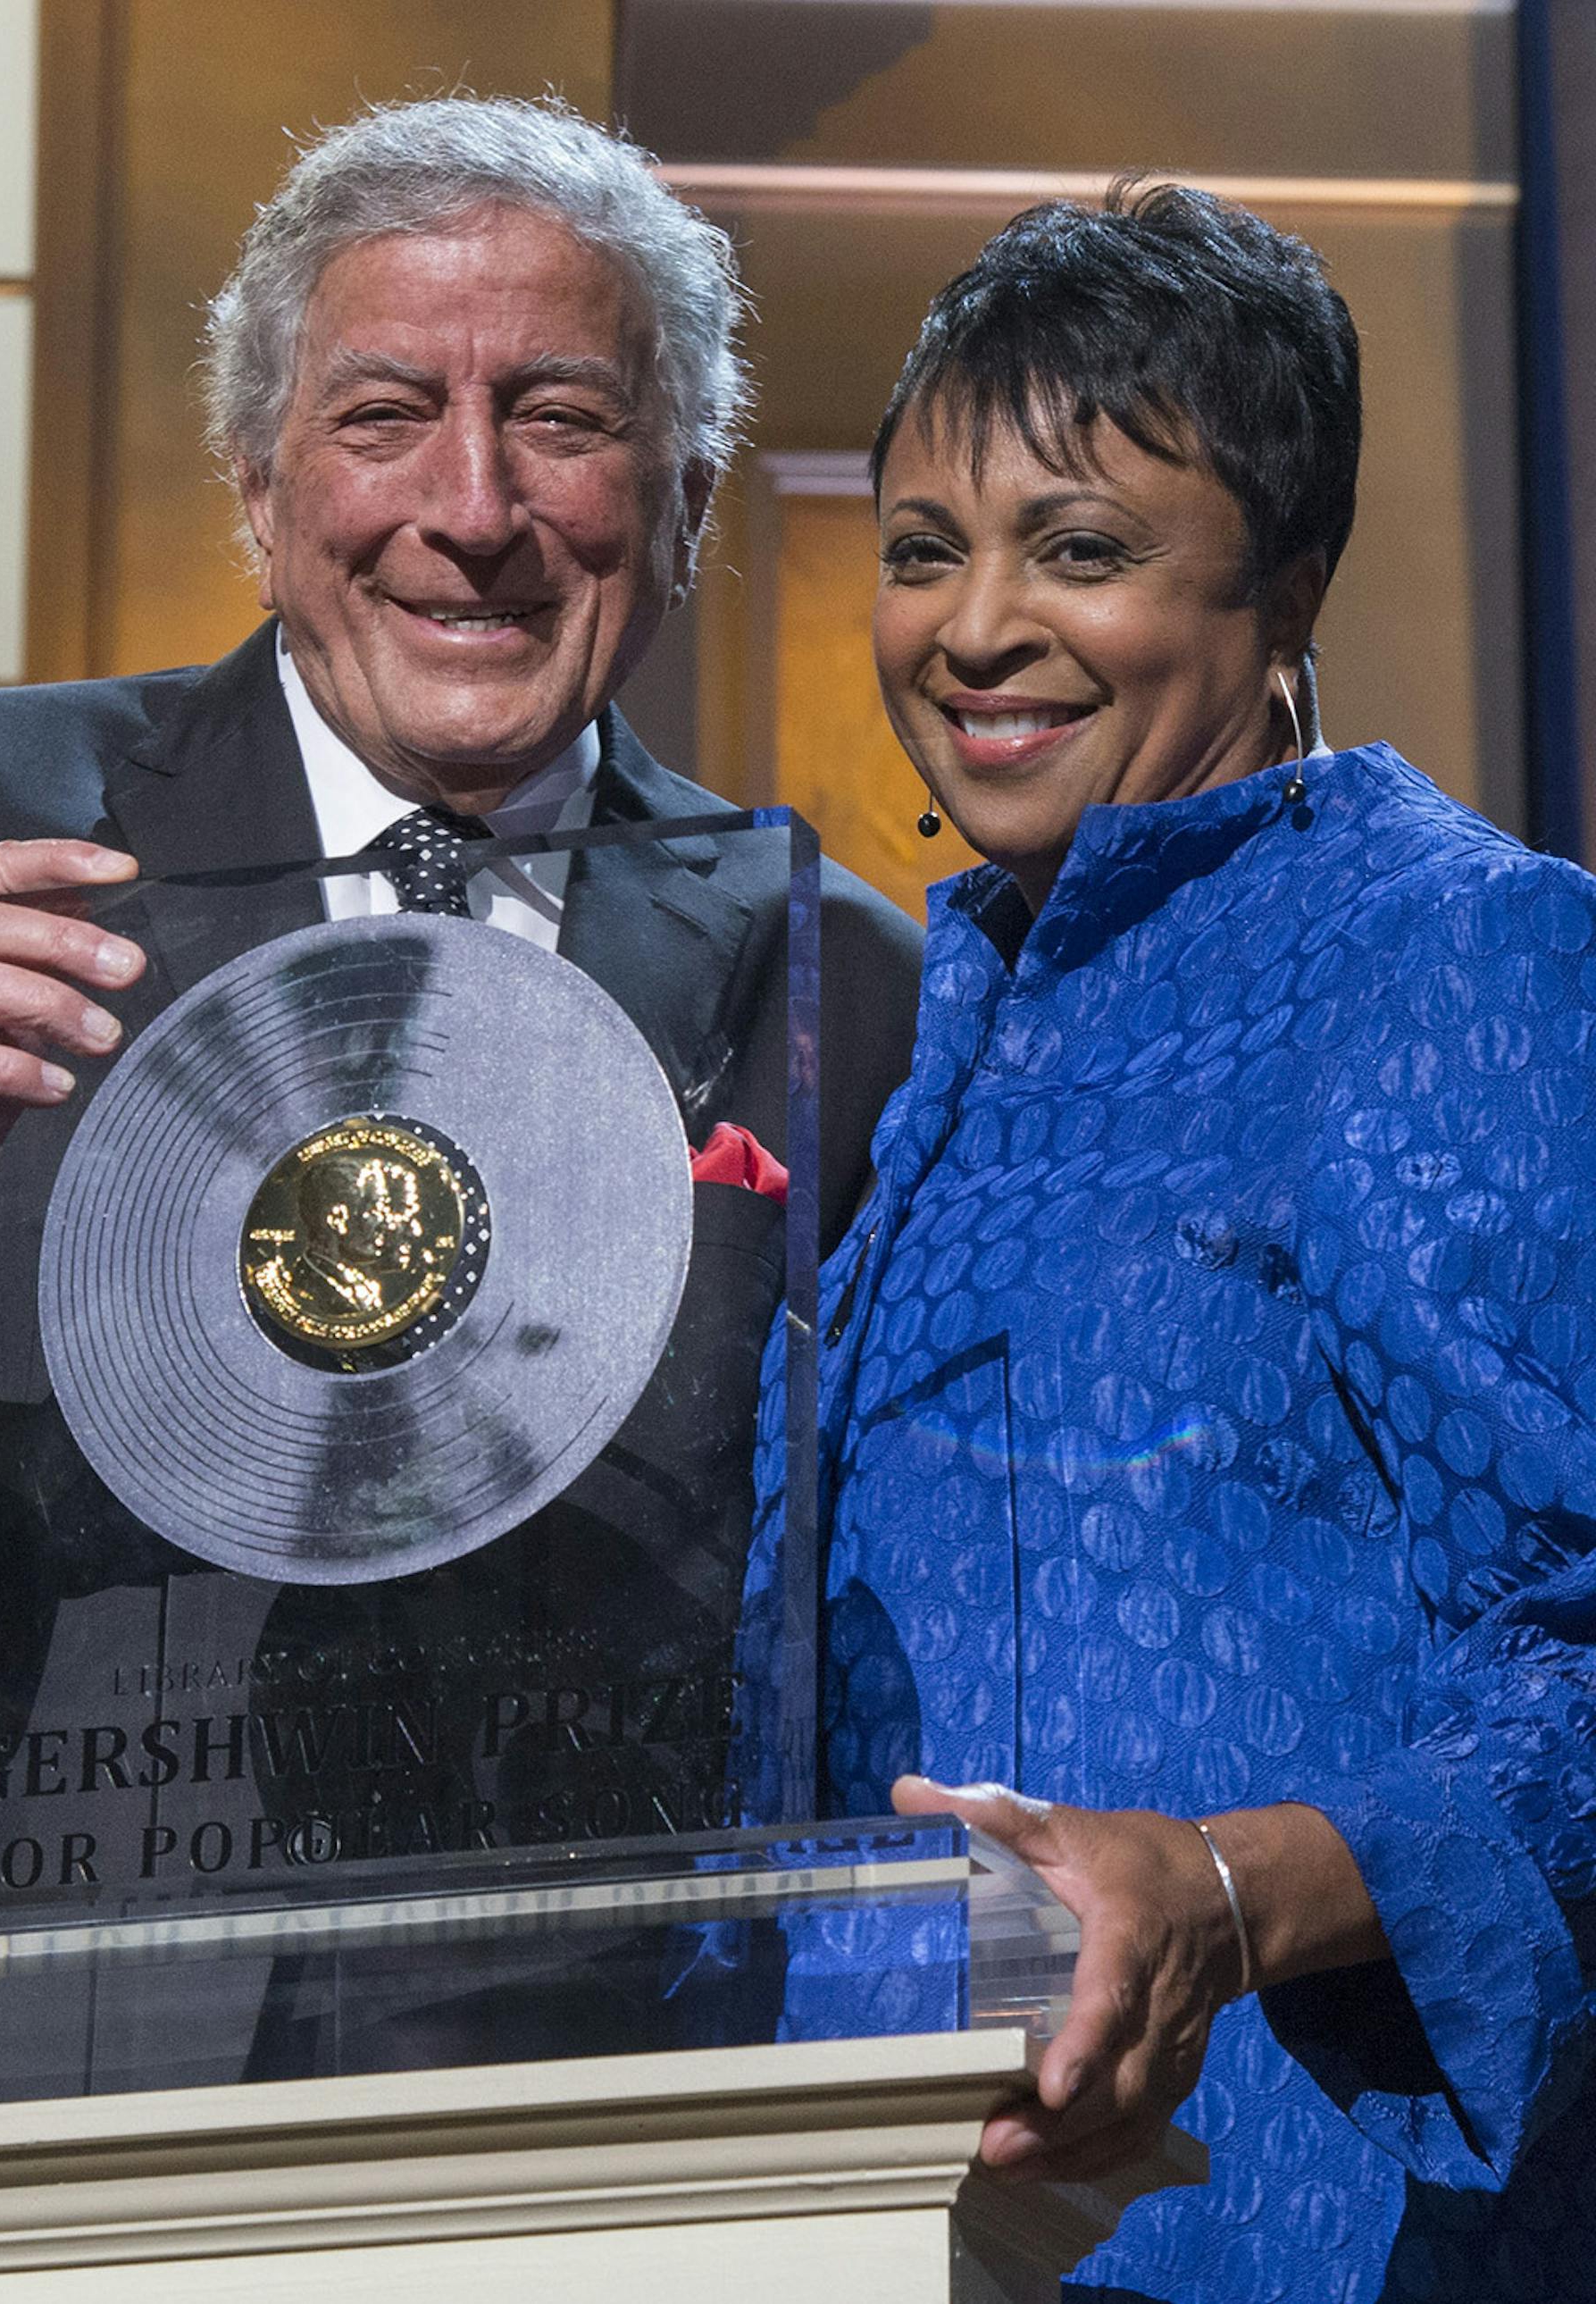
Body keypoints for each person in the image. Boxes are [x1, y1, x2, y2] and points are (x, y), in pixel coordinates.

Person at [0, 96, 922, 1911]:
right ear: (259, 488)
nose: (473, 509)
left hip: (599, 2069)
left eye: (560, 419)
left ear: (687, 501)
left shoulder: (849, 976)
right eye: (385, 417)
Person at [743, 182, 1596, 2301]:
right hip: (903, 2220)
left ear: (1287, 582)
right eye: (925, 549)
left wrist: (1222, 1892)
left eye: (1084, 548)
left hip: (1287, 2217)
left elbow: (1581, 1648)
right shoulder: (966, 1010)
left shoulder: (1460, 957)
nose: (973, 627)